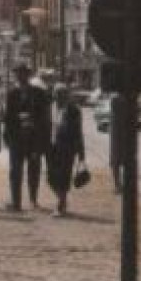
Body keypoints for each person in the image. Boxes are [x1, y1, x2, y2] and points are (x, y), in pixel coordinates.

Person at [2, 63, 51, 211]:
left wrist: (42, 138)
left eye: (23, 73)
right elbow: (8, 117)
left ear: (28, 75)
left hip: (34, 138)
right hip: (16, 138)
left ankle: (33, 200)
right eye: (18, 73)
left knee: (34, 169)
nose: (20, 76)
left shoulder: (39, 93)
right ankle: (16, 202)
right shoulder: (11, 93)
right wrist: (7, 136)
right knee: (15, 170)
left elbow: (44, 116)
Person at [45, 85, 86, 217]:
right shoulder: (50, 107)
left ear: (67, 95)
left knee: (63, 177)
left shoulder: (74, 110)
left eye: (62, 94)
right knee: (50, 178)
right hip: (51, 147)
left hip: (67, 148)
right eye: (57, 94)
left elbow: (79, 132)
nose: (59, 97)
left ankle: (60, 205)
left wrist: (81, 154)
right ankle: (62, 200)